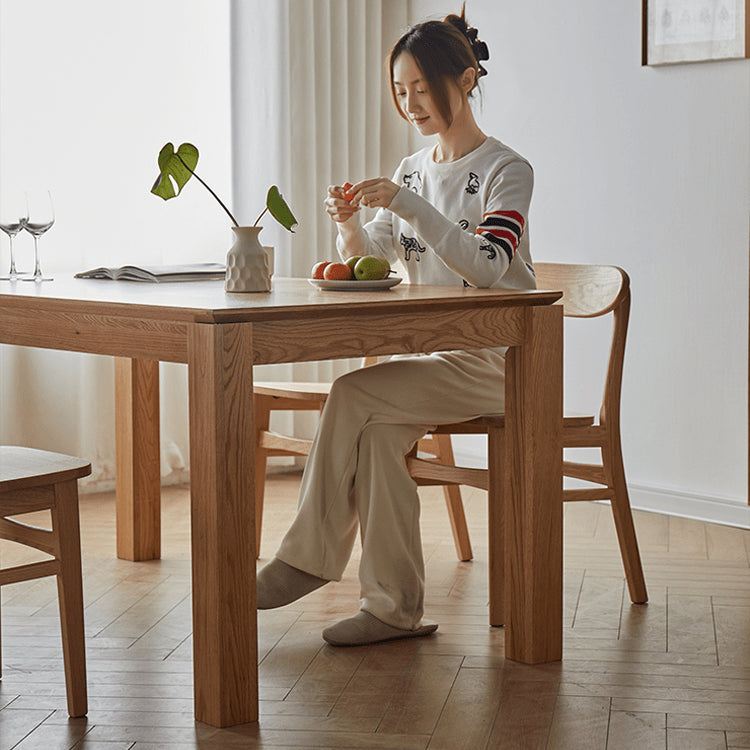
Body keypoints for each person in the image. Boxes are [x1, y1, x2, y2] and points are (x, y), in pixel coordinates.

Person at [256, 6, 535, 647]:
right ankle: (393, 609)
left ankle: (306, 559)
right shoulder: (411, 169)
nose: (410, 103)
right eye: (400, 91)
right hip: (442, 361)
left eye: (421, 88)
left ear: (465, 81)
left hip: (505, 361)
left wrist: (406, 203)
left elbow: (490, 266)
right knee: (377, 438)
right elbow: (377, 263)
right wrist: (350, 223)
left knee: (353, 393)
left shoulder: (505, 170)